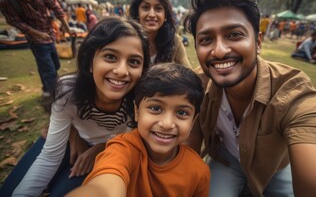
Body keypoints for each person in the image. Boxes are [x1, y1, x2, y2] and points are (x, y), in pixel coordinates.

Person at [183, 0, 316, 197]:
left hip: (275, 167)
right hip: (225, 160)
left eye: (235, 34)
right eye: (206, 39)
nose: (219, 51)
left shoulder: (291, 91)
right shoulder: (196, 85)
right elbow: (186, 148)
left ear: (257, 42)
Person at [0, 17, 150, 197]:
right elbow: (50, 156)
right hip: (66, 143)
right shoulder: (68, 91)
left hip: (109, 151)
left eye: (134, 61)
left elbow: (131, 143)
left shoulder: (141, 100)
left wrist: (101, 149)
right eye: (110, 57)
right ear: (90, 62)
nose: (121, 70)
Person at [66, 63, 210, 197]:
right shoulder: (122, 150)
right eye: (155, 108)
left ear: (193, 121)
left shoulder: (198, 171)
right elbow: (104, 187)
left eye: (182, 113)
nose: (167, 124)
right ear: (137, 112)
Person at [0, 0, 73, 97]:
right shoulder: (7, 1)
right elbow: (16, 22)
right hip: (36, 40)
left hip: (50, 36)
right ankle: (54, 95)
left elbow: (56, 8)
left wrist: (66, 26)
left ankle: (47, 87)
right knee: (48, 68)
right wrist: (38, 34)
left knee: (55, 65)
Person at [129, 0, 191, 67]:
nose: (151, 14)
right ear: (137, 13)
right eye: (145, 7)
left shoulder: (174, 42)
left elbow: (189, 76)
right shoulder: (126, 39)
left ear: (165, 15)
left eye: (158, 8)